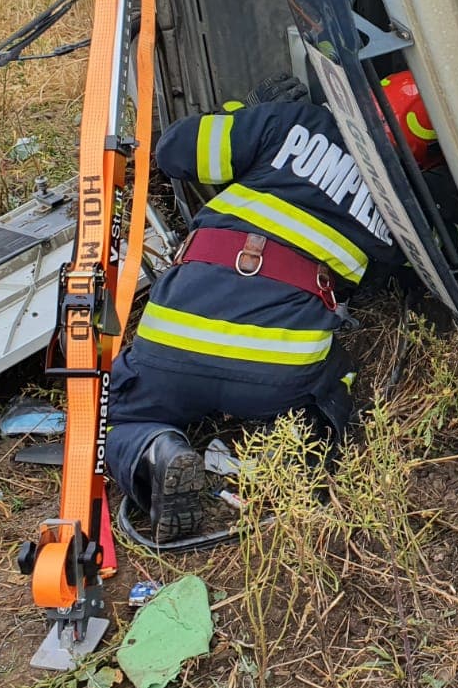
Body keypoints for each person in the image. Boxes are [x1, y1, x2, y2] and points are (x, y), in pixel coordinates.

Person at [104, 93, 395, 541]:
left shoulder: (295, 121)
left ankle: (154, 450)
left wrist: (242, 112)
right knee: (326, 387)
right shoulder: (404, 205)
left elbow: (176, 150)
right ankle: (292, 445)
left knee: (114, 417)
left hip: (176, 339)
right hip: (277, 369)